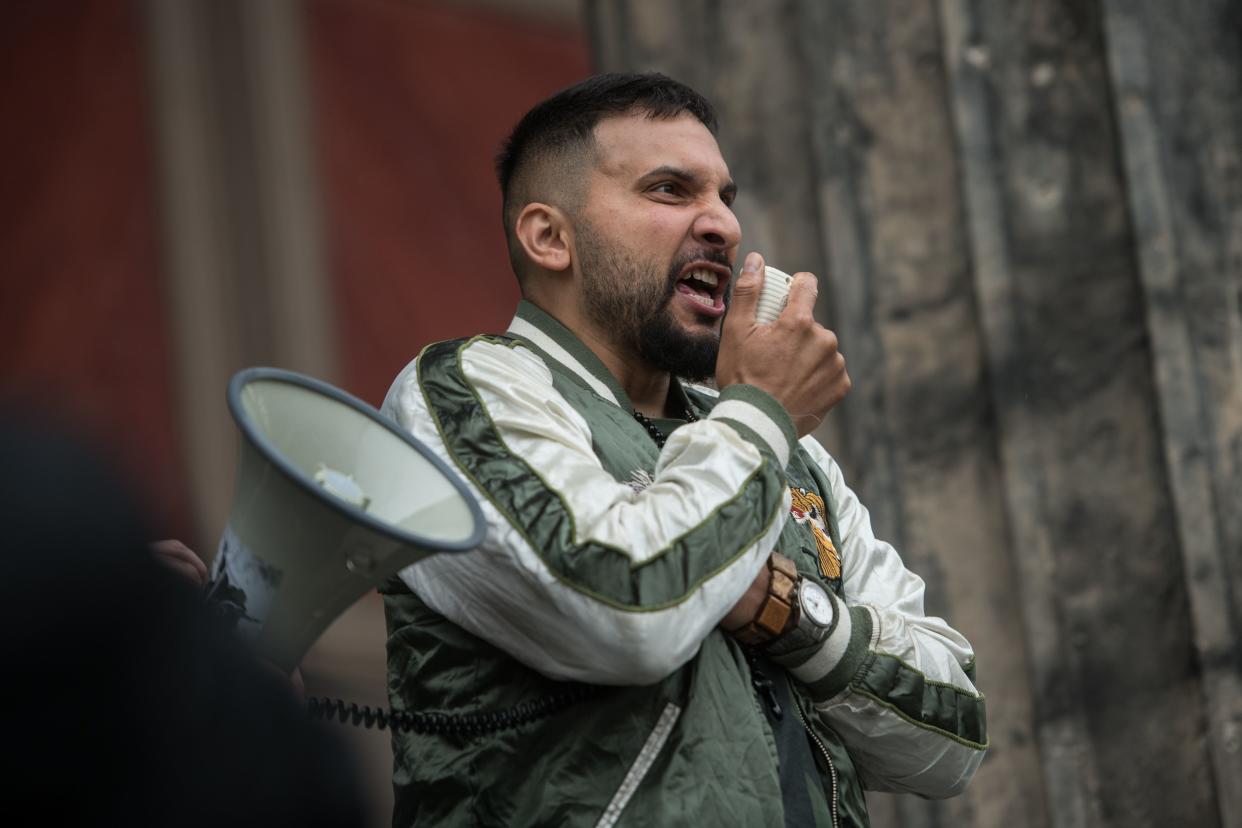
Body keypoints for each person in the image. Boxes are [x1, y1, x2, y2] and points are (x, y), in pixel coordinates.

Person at [379, 72, 986, 826]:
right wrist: (761, 411)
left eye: (724, 198)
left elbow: (956, 732)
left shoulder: (785, 454)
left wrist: (783, 611)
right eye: (670, 190)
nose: (724, 227)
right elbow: (623, 609)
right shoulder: (466, 386)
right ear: (549, 237)